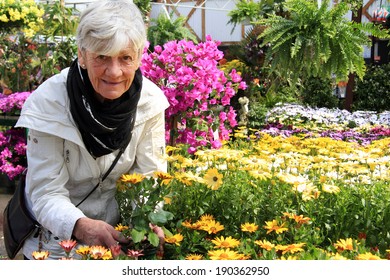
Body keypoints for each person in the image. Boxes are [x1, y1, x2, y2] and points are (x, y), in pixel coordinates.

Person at [15, 0, 169, 260]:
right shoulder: (49, 104)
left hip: (116, 241)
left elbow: (149, 177)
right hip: (55, 243)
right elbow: (46, 192)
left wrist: (147, 223)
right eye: (102, 57)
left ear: (140, 57)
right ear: (83, 55)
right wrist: (79, 225)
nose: (115, 71)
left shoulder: (150, 102)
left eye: (125, 57)